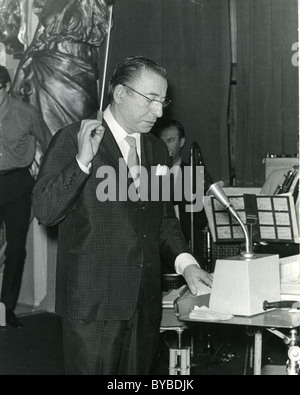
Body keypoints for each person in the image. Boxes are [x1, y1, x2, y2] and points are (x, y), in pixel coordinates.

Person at [32, 56, 213, 375]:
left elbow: (163, 219)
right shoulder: (73, 138)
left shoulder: (157, 150)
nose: (159, 112)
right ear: (119, 93)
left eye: (162, 101)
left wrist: (187, 264)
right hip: (93, 307)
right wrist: (81, 162)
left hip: (143, 307)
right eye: (151, 100)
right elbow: (46, 211)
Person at [0, 65, 52, 329]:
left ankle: (5, 308)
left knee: (17, 249)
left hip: (17, 183)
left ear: (7, 88)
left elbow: (49, 142)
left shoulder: (25, 113)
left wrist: (44, 179)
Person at [154, 119, 213, 273]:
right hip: (159, 255)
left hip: (189, 249)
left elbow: (201, 219)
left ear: (182, 142)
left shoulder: (194, 174)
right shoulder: (150, 173)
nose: (166, 146)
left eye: (171, 140)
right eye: (162, 141)